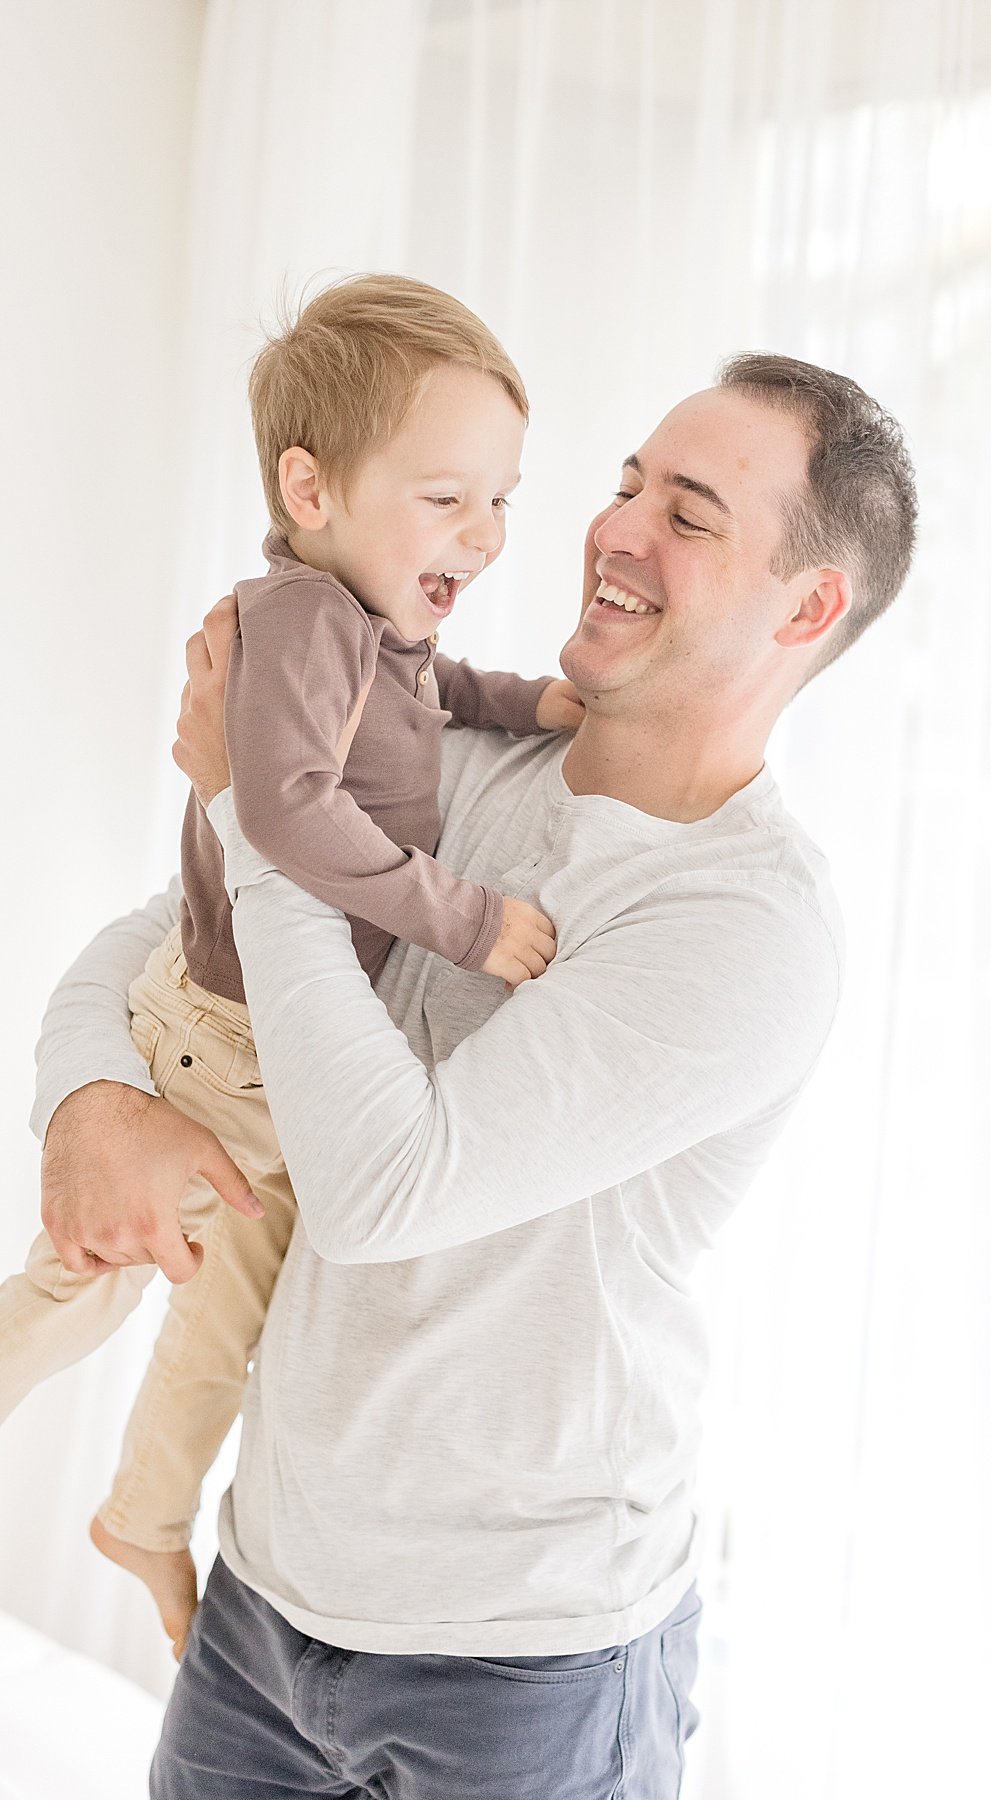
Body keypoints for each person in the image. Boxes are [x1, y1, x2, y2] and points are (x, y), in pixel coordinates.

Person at [31, 353, 917, 1798]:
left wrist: (258, 808)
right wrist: (87, 1101)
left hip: (523, 1673)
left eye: (688, 515)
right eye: (629, 481)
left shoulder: (742, 925)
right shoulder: (473, 758)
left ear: (806, 607)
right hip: (268, 1597)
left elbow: (388, 1189)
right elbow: (167, 937)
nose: (615, 527)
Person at [0, 273, 583, 1657]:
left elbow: (436, 700)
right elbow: (281, 810)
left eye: (504, 497)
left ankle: (142, 1517)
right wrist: (464, 918)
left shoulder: (377, 629)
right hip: (227, 1038)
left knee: (214, 1316)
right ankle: (132, 1503)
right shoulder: (304, 620)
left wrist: (526, 703)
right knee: (102, 1276)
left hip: (261, 1047)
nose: (489, 535)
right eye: (449, 498)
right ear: (309, 491)